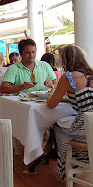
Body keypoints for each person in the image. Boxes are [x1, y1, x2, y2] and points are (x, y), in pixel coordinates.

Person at [46, 45, 93, 180]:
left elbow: (51, 104)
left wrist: (52, 91)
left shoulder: (69, 76)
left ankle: (68, 166)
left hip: (85, 129)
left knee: (56, 127)